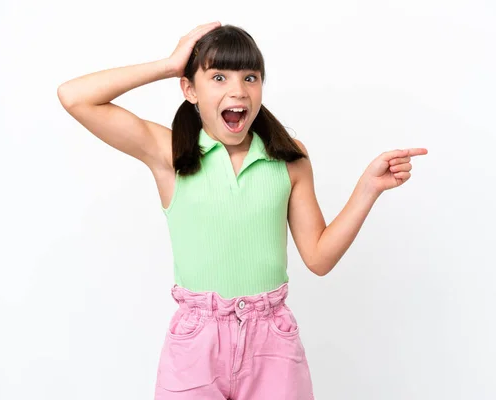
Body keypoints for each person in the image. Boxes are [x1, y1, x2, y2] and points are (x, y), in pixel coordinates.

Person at [57, 21, 427, 400]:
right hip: (195, 344)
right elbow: (74, 96)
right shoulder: (170, 155)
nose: (238, 90)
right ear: (190, 89)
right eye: (218, 77)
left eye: (250, 77)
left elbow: (318, 257)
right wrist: (170, 65)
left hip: (272, 343)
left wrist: (368, 189)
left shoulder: (288, 159)